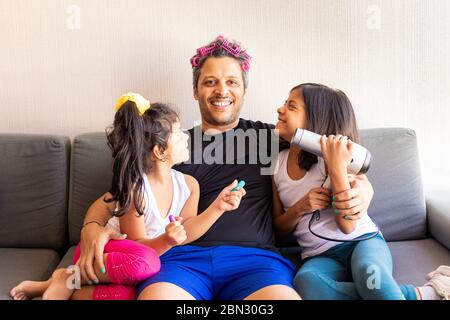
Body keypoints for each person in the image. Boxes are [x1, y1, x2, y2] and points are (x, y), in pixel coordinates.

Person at [77, 36, 374, 300]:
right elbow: (118, 197)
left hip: (256, 262)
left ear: (244, 90)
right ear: (195, 90)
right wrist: (91, 228)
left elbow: (342, 151)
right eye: (210, 82)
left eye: (232, 81)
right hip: (181, 261)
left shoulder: (272, 139)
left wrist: (363, 187)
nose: (222, 91)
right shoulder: (171, 145)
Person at [10, 92, 245, 300]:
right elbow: (138, 246)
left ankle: (57, 282)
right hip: (103, 253)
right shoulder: (137, 191)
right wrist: (167, 240)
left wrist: (218, 207)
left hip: (133, 265)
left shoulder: (189, 185)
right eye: (178, 133)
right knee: (148, 263)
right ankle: (73, 275)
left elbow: (186, 231)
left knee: (124, 295)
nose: (186, 137)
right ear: (159, 151)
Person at [272, 83, 450, 300]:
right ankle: (421, 294)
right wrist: (301, 207)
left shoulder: (333, 160)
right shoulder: (275, 164)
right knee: (306, 283)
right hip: (319, 255)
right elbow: (278, 230)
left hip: (362, 242)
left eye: (291, 106)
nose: (280, 109)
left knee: (369, 276)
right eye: (284, 103)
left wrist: (336, 167)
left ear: (313, 120)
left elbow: (347, 226)